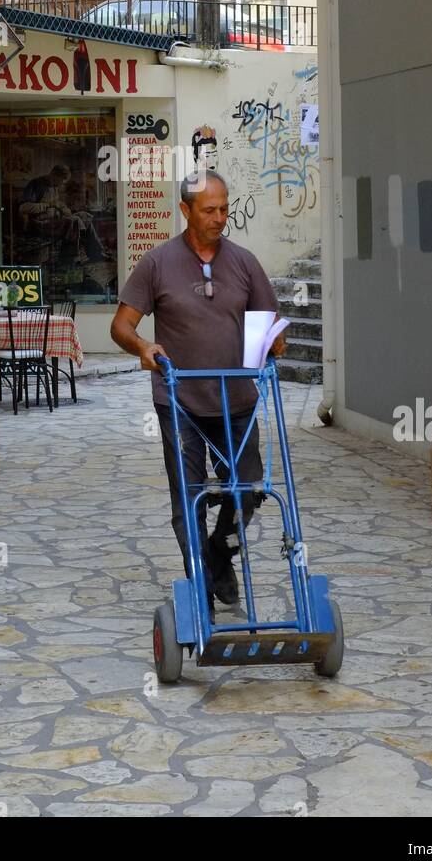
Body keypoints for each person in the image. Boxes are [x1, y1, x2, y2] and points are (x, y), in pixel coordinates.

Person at [110, 171, 286, 613]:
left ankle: (219, 555)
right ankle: (200, 589)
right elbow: (121, 325)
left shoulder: (244, 262)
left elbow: (268, 325)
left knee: (246, 490)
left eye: (224, 208)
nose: (220, 217)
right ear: (185, 211)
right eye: (209, 210)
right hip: (180, 401)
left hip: (238, 402)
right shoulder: (157, 263)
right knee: (188, 495)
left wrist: (272, 340)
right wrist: (143, 345)